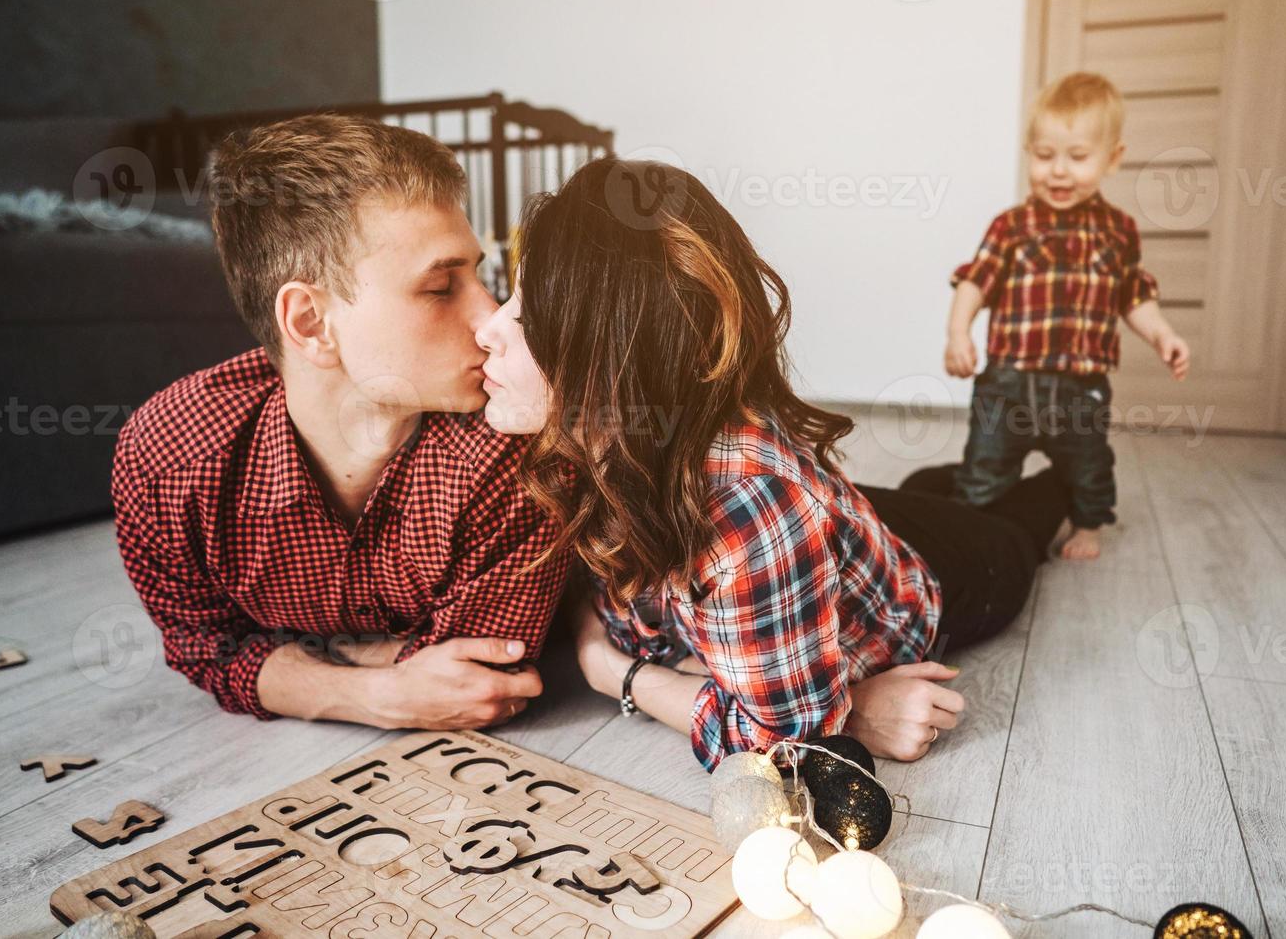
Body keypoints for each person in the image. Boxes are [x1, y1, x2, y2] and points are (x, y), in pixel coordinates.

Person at [472, 157, 1069, 772]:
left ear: (614, 353)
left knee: (1013, 528)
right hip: (832, 527)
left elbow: (782, 744)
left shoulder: (746, 508)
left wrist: (612, 672)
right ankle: (933, 489)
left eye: (524, 315)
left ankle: (1065, 490)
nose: (486, 327)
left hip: (944, 580)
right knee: (922, 492)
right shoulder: (594, 434)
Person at [110, 115, 565, 729]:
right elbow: (201, 644)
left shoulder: (517, 445)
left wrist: (286, 653)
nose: (492, 318)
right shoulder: (169, 457)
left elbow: (484, 681)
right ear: (310, 324)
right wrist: (382, 695)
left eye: (480, 276)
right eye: (439, 287)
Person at [938, 72, 1190, 560]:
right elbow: (976, 281)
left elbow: (1132, 295)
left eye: (1077, 158)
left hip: (1080, 385)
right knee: (983, 463)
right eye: (1044, 155)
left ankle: (1087, 525)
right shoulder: (1011, 226)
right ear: (1028, 152)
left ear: (1112, 159)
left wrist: (1162, 334)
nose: (1058, 171)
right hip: (1008, 383)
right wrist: (957, 333)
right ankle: (972, 524)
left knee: (1089, 462)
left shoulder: (1118, 231)